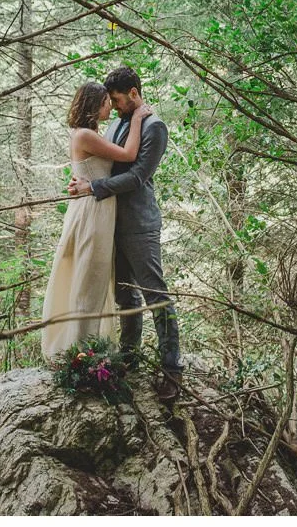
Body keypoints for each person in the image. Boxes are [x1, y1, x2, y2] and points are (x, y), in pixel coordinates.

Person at [66, 66, 183, 403]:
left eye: (117, 100)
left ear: (134, 93)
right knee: (124, 297)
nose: (113, 107)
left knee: (155, 295)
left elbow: (137, 176)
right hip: (110, 222)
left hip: (140, 224)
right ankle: (129, 358)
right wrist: (82, 181)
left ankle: (172, 368)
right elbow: (103, 160)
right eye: (111, 102)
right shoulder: (119, 122)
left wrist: (93, 186)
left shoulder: (155, 127)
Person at [40, 81, 153, 362]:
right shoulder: (85, 136)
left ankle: (87, 350)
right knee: (87, 283)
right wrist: (137, 118)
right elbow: (128, 155)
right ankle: (79, 355)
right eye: (106, 101)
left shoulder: (91, 134)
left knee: (96, 281)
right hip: (92, 213)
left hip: (98, 210)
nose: (111, 107)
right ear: (95, 104)